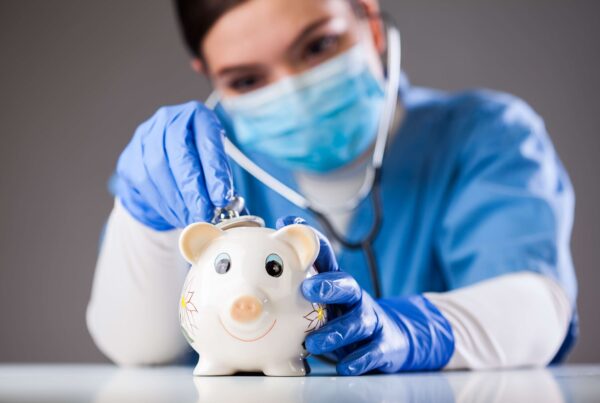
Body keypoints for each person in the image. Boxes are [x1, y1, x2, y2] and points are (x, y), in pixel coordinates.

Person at [86, 0, 577, 375]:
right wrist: (142, 219)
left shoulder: (484, 135)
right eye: (247, 79)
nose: (295, 93)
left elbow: (539, 309)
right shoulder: (190, 167)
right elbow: (134, 348)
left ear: (370, 19)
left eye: (318, 46)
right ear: (210, 77)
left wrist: (410, 330)